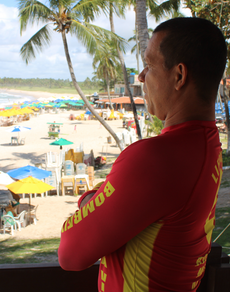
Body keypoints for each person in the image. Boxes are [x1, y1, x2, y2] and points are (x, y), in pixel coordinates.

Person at [58, 17, 227, 291]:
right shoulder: (207, 146)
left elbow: (70, 254)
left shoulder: (156, 159)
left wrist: (92, 198)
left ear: (179, 76)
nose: (140, 77)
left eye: (148, 65)